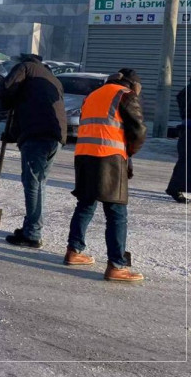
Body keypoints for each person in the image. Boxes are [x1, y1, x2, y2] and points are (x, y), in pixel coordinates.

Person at [64, 69, 146, 282]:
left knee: (85, 205)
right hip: (110, 158)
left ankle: (74, 251)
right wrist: (129, 151)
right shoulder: (124, 95)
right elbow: (138, 131)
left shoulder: (94, 94)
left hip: (84, 156)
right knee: (117, 213)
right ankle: (117, 265)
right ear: (132, 84)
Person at [0, 53, 67, 248]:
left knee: (32, 184)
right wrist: (12, 134)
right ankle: (31, 226)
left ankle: (33, 233)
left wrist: (6, 102)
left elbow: (7, 88)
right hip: (56, 135)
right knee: (39, 183)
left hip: (38, 135)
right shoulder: (50, 75)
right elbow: (32, 106)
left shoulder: (25, 68)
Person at [166, 66, 191, 203]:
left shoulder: (189, 87)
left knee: (186, 160)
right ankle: (175, 188)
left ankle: (175, 187)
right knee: (187, 161)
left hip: (187, 128)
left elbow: (181, 99)